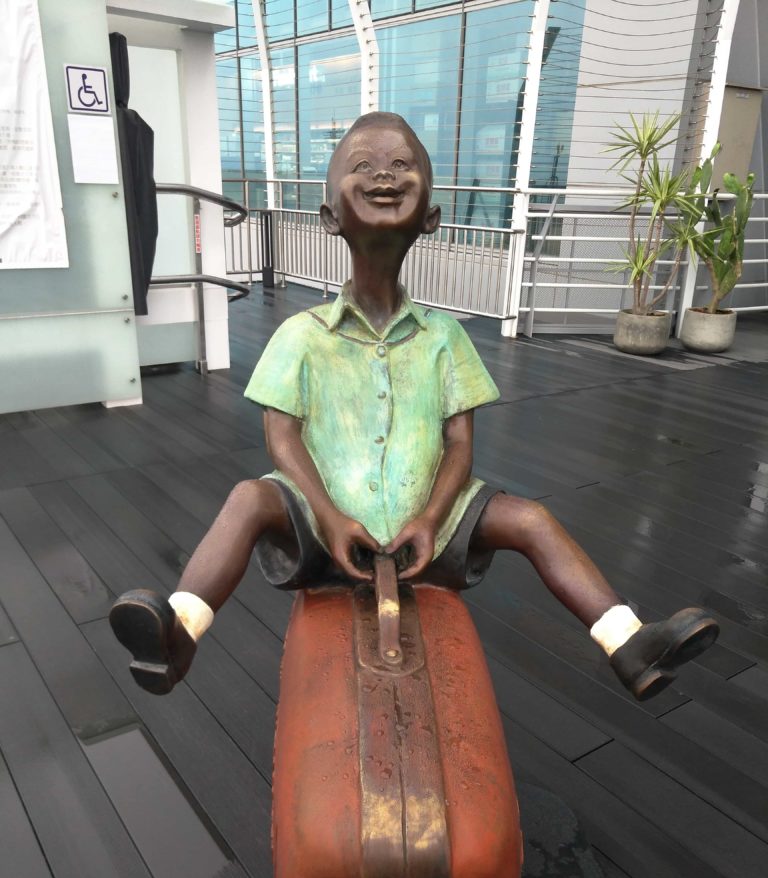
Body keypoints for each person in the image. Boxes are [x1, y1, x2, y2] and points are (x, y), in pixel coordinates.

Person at [110, 112, 718, 701]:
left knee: (531, 520)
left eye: (402, 164)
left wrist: (430, 517)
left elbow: (459, 444)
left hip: (433, 522)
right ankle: (180, 633)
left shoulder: (445, 336)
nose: (384, 173)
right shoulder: (301, 335)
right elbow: (282, 438)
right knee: (249, 498)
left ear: (430, 215)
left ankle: (626, 642)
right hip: (318, 519)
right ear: (329, 216)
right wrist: (329, 516)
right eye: (362, 166)